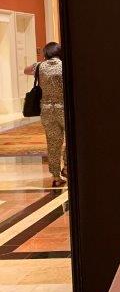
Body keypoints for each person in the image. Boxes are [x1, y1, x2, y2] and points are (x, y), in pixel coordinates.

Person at [24, 42, 66, 188]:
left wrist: (41, 64)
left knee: (53, 143)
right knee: (71, 141)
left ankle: (56, 176)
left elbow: (25, 70)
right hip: (64, 109)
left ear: (46, 53)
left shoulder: (40, 66)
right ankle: (67, 167)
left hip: (47, 110)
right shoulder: (65, 65)